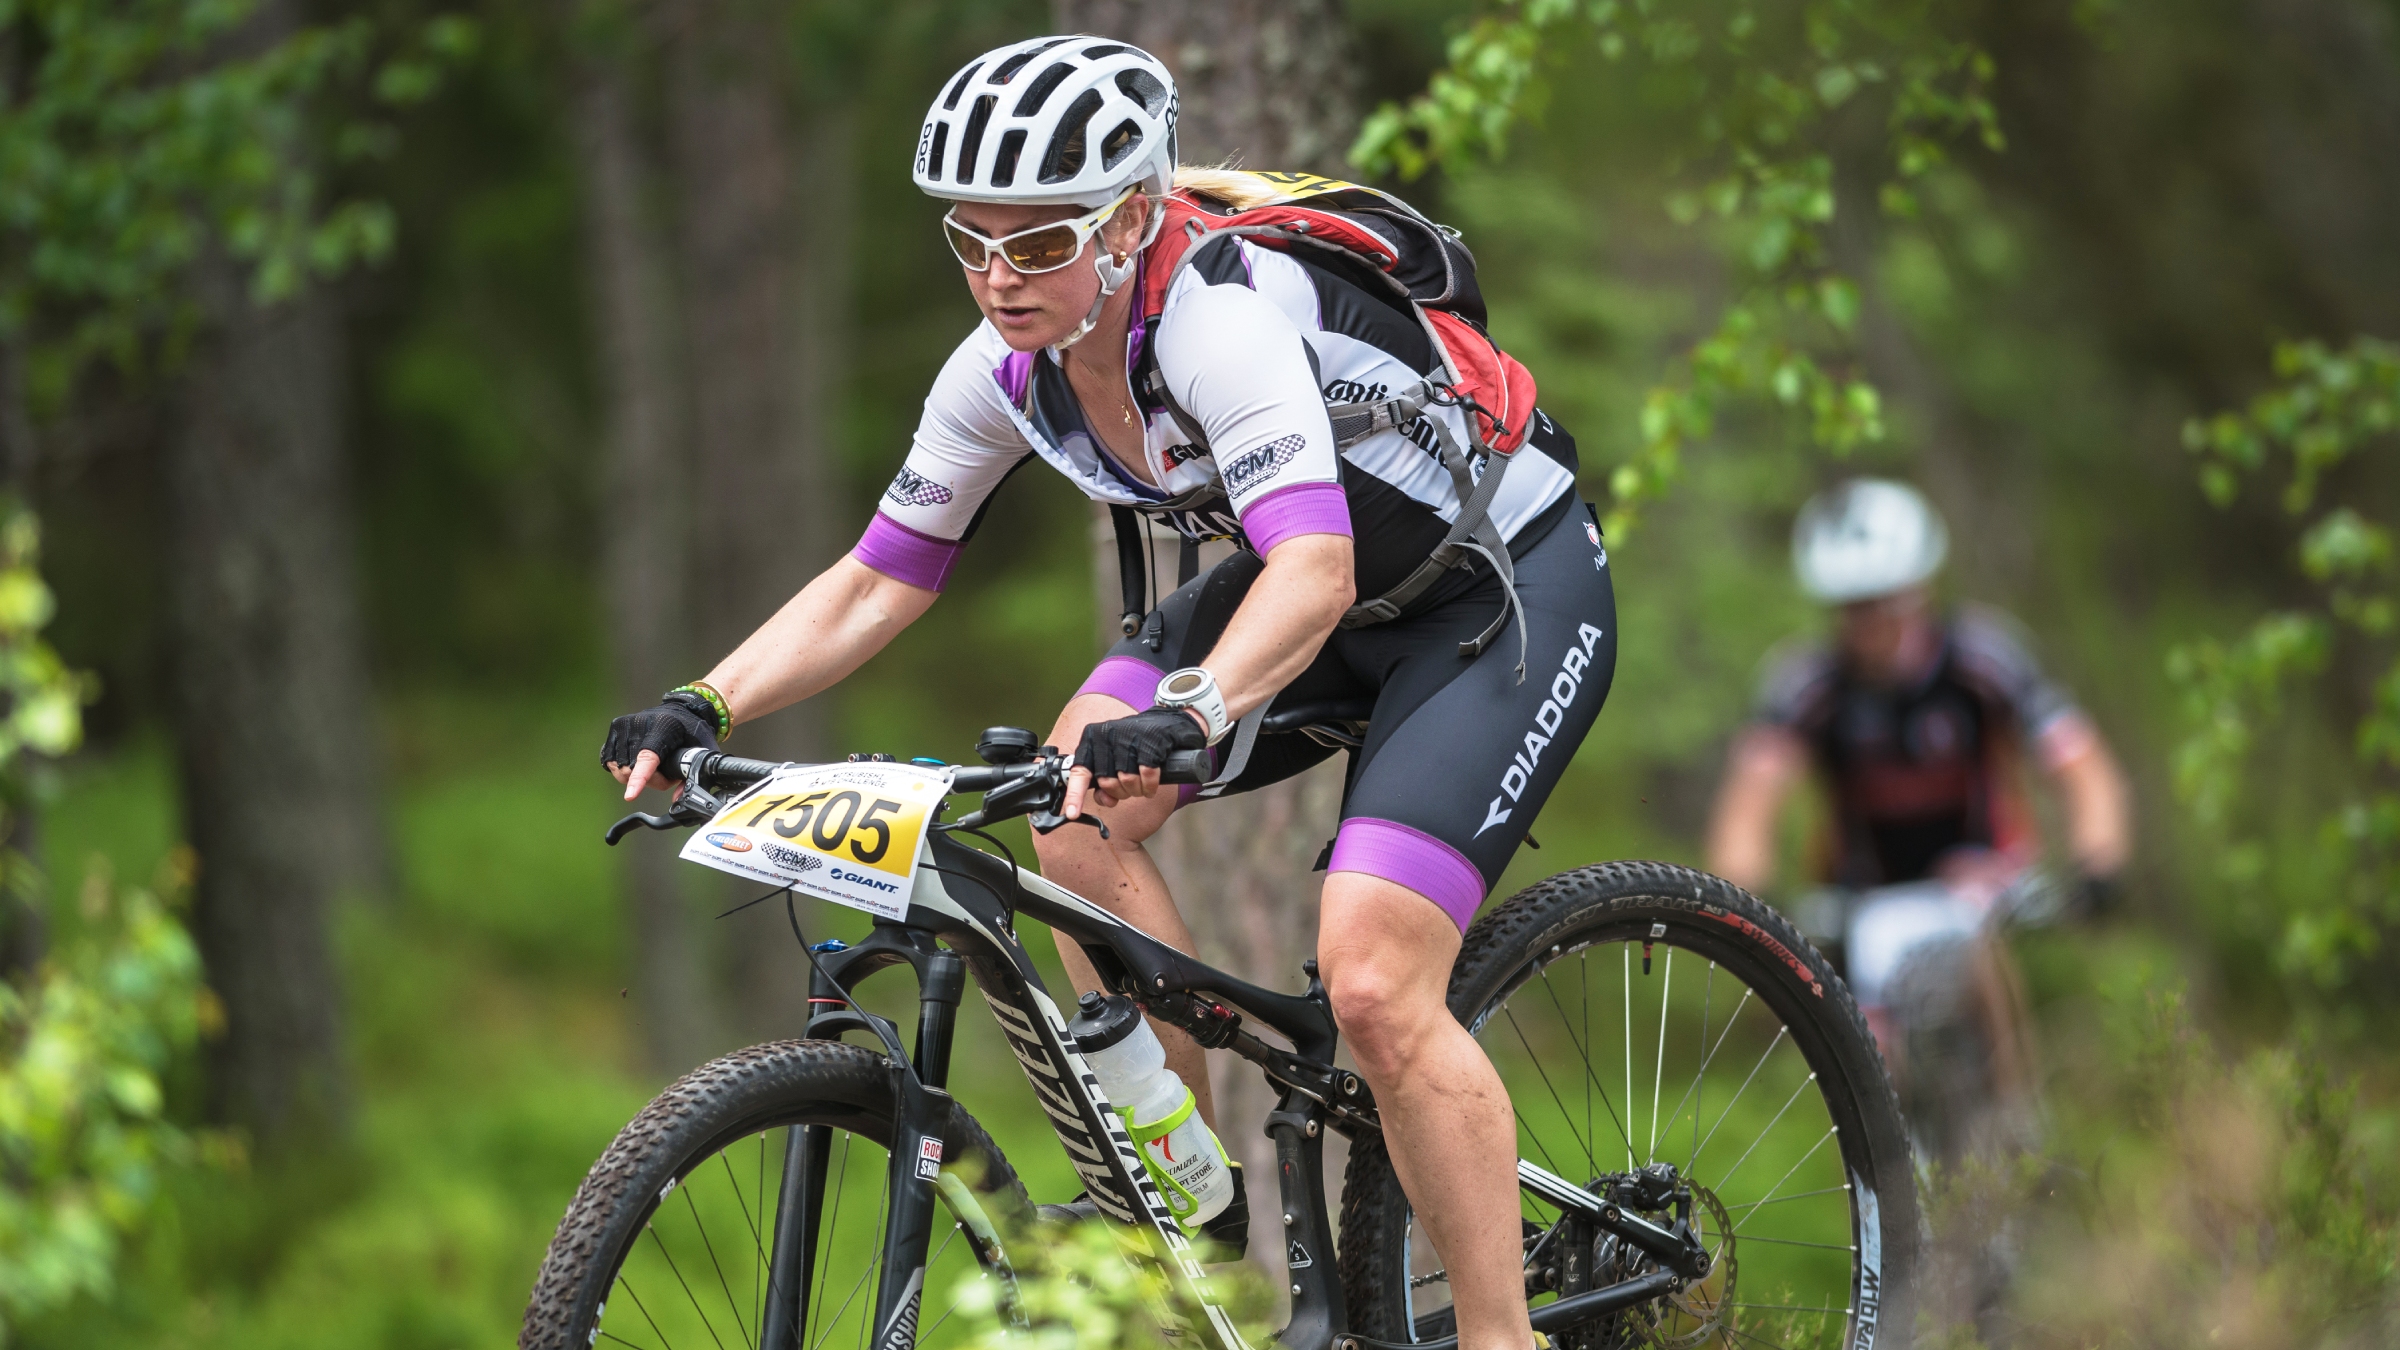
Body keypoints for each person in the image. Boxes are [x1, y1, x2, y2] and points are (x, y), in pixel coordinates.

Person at [599, 37, 1615, 1350]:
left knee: (1370, 984)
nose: (997, 278)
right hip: (1324, 591)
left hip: (1496, 587)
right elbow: (875, 582)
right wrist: (707, 701)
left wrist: (1190, 712)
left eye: (1038, 245)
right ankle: (1186, 1204)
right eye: (972, 242)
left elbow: (1310, 572)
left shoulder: (1219, 317)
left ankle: (1500, 1335)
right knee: (1070, 809)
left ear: (1131, 216)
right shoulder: (1000, 365)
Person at [1705, 478, 2129, 1118]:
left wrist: (2100, 859)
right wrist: (1740, 894)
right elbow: (1752, 798)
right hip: (1867, 898)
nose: (1865, 620)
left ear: (1918, 590)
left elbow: (2080, 764)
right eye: (1849, 605)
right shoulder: (1808, 683)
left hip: (1983, 877)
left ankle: (2016, 1139)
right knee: (1872, 1056)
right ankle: (1888, 1182)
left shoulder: (1984, 660)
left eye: (1881, 601)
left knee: (1982, 967)